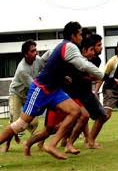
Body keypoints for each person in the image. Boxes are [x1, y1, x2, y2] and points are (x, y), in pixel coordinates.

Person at [0, 21, 107, 160]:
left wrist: (62, 77)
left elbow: (54, 62)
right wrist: (106, 77)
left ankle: (52, 145)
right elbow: (83, 65)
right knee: (21, 125)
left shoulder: (66, 47)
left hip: (54, 91)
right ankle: (25, 144)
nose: (82, 37)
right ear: (73, 35)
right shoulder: (68, 46)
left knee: (76, 111)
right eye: (80, 34)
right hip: (41, 89)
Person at [23, 37, 107, 155]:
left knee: (82, 116)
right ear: (83, 50)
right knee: (48, 130)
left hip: (71, 97)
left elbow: (83, 76)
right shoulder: (70, 60)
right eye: (92, 49)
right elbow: (59, 72)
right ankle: (29, 143)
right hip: (58, 96)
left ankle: (68, 144)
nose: (94, 52)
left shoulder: (93, 61)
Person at [2, 40, 43, 153]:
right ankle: (7, 145)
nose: (36, 52)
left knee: (34, 123)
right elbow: (34, 86)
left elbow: (46, 69)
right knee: (15, 121)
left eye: (36, 50)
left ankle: (31, 143)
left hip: (28, 95)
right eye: (32, 51)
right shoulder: (22, 69)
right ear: (26, 54)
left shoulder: (38, 60)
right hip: (16, 93)